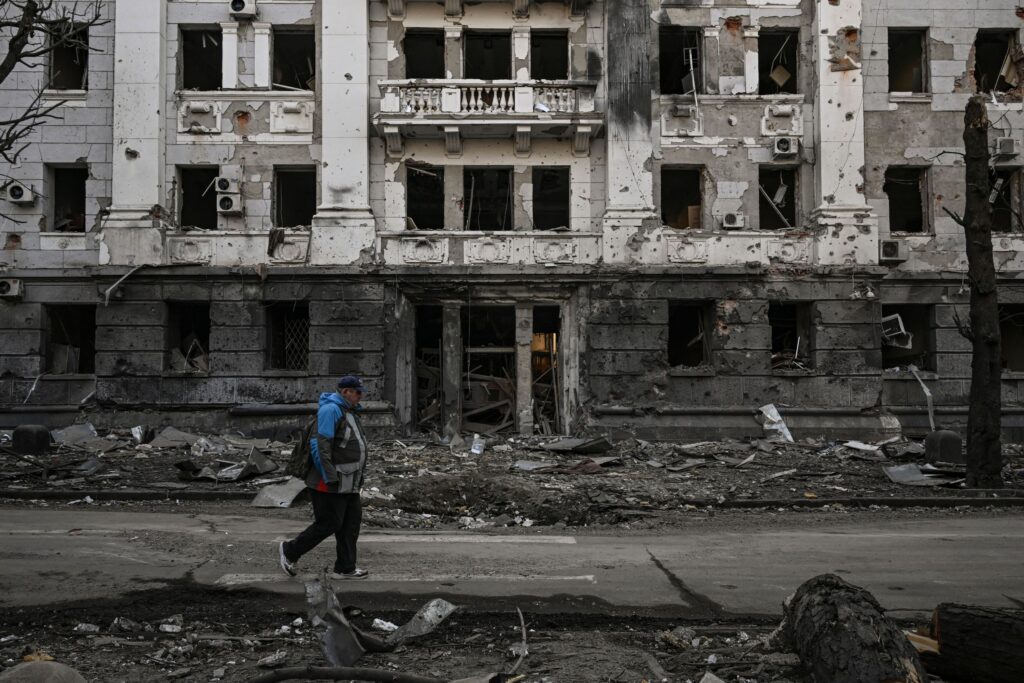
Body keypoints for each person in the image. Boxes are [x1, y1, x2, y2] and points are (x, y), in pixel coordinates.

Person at [278, 375, 370, 579]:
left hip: (349, 481)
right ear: (345, 392)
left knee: (350, 523)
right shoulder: (331, 410)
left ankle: (345, 567)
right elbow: (320, 445)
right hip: (330, 482)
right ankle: (290, 551)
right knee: (329, 523)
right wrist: (330, 476)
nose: (360, 396)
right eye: (357, 392)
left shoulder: (349, 411)